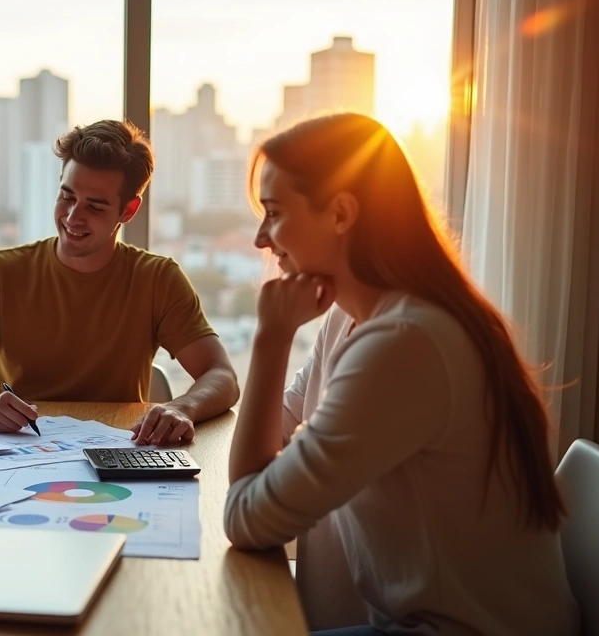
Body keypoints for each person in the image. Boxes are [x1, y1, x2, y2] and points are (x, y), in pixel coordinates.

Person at [223, 112, 579, 635]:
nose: (260, 239)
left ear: (341, 212)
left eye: (274, 213)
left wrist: (271, 339)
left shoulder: (405, 344)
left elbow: (247, 519)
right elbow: (278, 426)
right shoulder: (353, 316)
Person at [0, 120, 239, 446]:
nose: (72, 218)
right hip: (19, 452)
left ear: (128, 211)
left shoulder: (158, 279)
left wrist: (183, 408)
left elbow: (222, 376)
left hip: (122, 449)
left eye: (94, 207)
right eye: (67, 197)